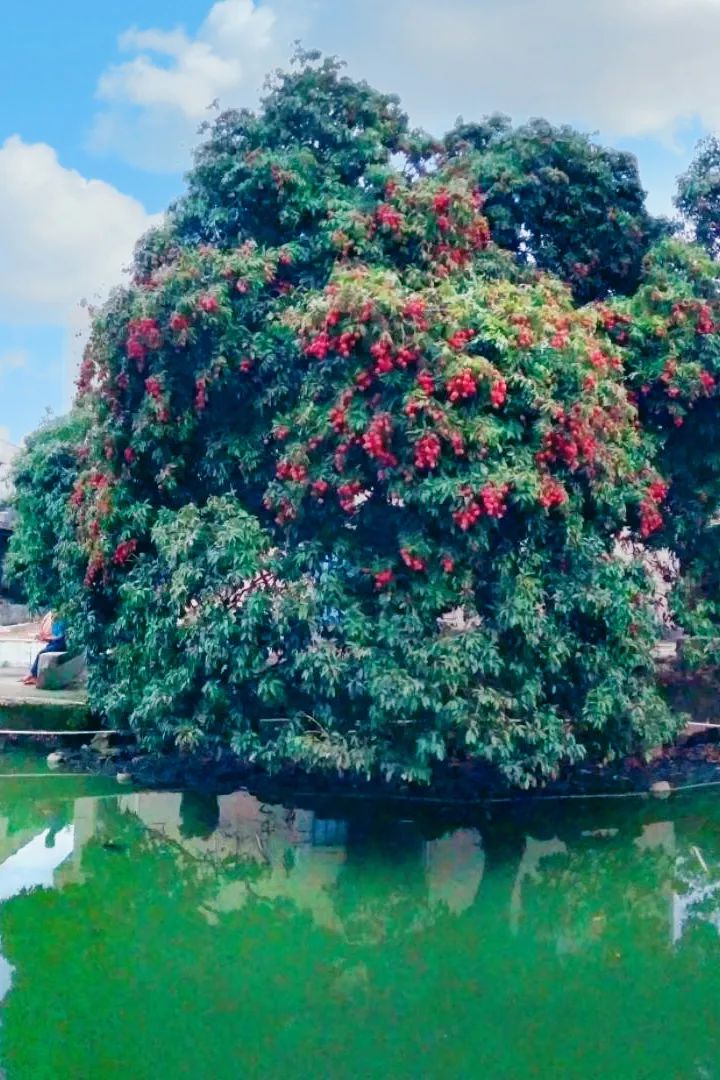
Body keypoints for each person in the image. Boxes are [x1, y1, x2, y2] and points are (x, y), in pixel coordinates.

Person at [22, 612, 66, 686]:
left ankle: (34, 676)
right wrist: (44, 638)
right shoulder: (54, 624)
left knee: (41, 653)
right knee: (42, 653)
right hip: (55, 643)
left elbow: (60, 639)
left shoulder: (61, 623)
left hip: (60, 644)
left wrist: (46, 638)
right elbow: (54, 638)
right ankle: (33, 675)